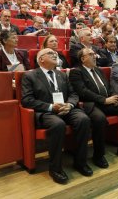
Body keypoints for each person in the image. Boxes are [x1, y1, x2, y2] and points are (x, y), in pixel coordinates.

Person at [21, 48, 94, 184]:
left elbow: (73, 94)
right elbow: (27, 100)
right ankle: (55, 168)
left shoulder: (62, 74)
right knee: (58, 124)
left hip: (66, 108)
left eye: (55, 53)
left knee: (83, 119)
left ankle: (80, 162)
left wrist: (70, 105)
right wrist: (50, 107)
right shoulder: (30, 75)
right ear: (41, 59)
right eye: (50, 53)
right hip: (46, 111)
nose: (55, 54)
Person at [70, 48, 118, 160]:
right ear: (83, 58)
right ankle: (99, 155)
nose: (95, 56)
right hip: (91, 104)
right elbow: (83, 92)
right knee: (100, 119)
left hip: (107, 102)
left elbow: (107, 87)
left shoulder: (98, 70)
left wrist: (114, 96)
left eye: (94, 54)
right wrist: (104, 100)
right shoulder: (76, 71)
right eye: (91, 54)